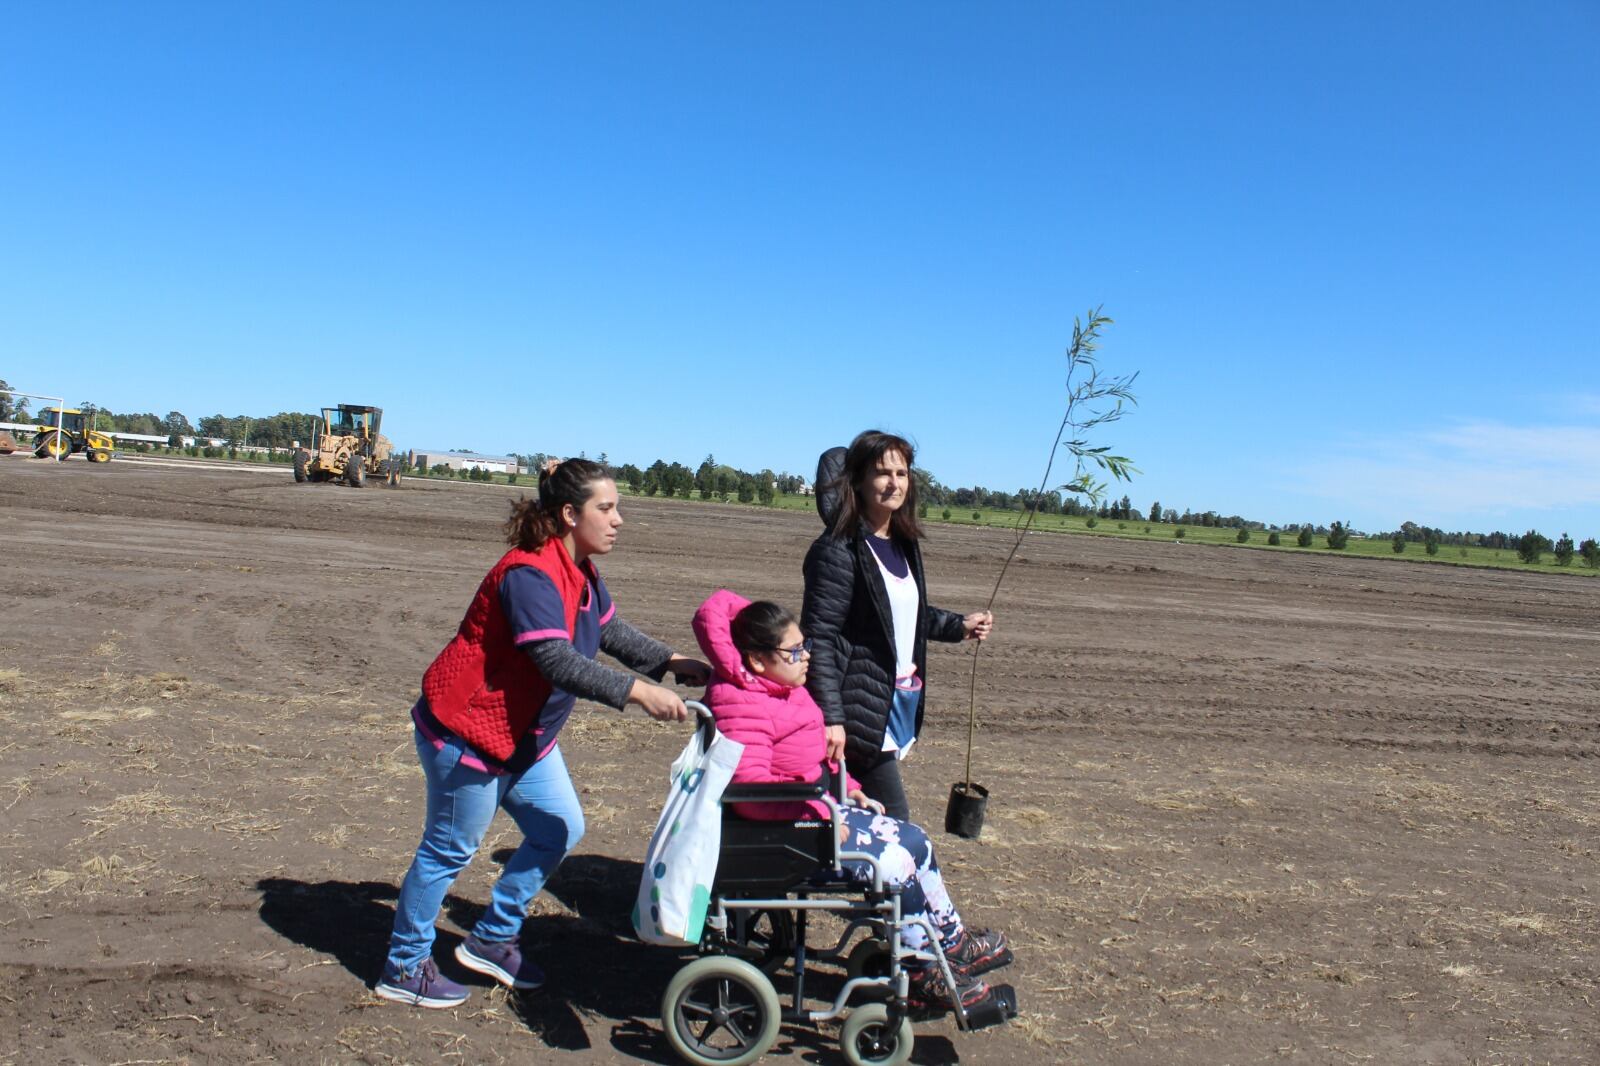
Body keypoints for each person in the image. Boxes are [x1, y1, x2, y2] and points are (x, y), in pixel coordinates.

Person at [377, 458, 710, 1008]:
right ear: (568, 514)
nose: (618, 519)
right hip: (469, 737)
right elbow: (554, 659)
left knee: (559, 828)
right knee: (449, 850)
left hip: (524, 738)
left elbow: (608, 630)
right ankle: (404, 965)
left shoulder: (579, 569)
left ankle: (492, 937)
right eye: (606, 508)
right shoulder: (529, 573)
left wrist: (671, 662)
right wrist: (636, 693)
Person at [692, 590, 1013, 1012]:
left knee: (915, 841)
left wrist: (852, 786)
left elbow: (815, 754)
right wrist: (821, 815)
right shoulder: (741, 701)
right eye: (795, 650)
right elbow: (753, 792)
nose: (807, 656)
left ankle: (951, 943)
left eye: (804, 646)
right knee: (893, 866)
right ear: (756, 659)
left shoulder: (784, 689)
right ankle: (923, 973)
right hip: (789, 833)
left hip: (811, 815)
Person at [802, 431, 994, 822]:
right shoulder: (838, 550)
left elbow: (899, 615)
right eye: (882, 472)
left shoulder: (901, 544)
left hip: (893, 702)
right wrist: (832, 718)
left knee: (863, 827)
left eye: (902, 473)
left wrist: (959, 626)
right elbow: (818, 639)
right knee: (897, 830)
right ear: (857, 480)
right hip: (858, 709)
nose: (894, 482)